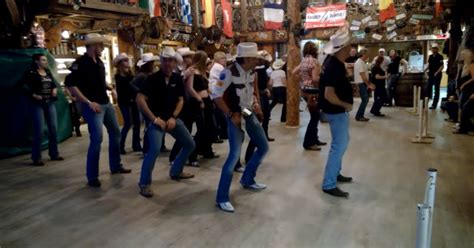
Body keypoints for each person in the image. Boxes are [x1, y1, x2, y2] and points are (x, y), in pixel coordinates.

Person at [66, 33, 131, 187]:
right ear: (94, 46)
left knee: (115, 133)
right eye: (101, 45)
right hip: (93, 106)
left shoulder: (100, 62)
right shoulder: (80, 63)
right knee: (97, 140)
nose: (103, 48)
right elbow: (71, 85)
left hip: (106, 104)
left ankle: (115, 165)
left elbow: (99, 82)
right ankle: (92, 176)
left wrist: (109, 87)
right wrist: (88, 102)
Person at [211, 42, 269, 213]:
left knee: (263, 146)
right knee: (234, 156)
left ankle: (247, 179)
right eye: (255, 58)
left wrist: (256, 103)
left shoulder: (252, 72)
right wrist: (230, 114)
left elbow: (252, 91)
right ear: (248, 58)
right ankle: (221, 197)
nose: (257, 61)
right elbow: (216, 96)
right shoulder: (228, 72)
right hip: (235, 115)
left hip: (247, 112)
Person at [136, 47, 196, 198]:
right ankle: (144, 183)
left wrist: (173, 117)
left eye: (170, 60)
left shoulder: (176, 78)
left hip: (171, 119)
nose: (167, 63)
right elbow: (140, 99)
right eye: (165, 60)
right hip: (156, 121)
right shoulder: (152, 78)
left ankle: (176, 170)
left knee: (190, 143)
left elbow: (181, 99)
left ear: (175, 62)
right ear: (161, 61)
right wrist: (154, 119)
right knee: (154, 150)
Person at [319, 30, 354, 198]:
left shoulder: (333, 63)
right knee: (339, 145)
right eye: (348, 46)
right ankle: (329, 183)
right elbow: (329, 94)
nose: (350, 49)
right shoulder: (334, 67)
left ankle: (336, 173)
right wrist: (345, 104)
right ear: (342, 49)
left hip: (336, 111)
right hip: (336, 111)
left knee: (342, 142)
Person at [170, 50, 219, 168]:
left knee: (205, 128)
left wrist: (210, 95)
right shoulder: (191, 71)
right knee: (192, 129)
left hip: (205, 101)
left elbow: (205, 87)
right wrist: (199, 99)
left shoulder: (202, 72)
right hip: (195, 103)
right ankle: (188, 155)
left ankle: (202, 151)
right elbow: (189, 88)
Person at [22, 53, 63, 166]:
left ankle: (54, 153)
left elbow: (53, 84)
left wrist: (54, 89)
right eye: (43, 60)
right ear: (37, 61)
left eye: (46, 60)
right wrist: (33, 95)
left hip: (49, 102)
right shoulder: (30, 72)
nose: (46, 62)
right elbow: (24, 87)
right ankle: (36, 157)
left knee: (53, 129)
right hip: (37, 104)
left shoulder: (48, 72)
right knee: (38, 131)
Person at [293, 41, 327, 151]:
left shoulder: (303, 61)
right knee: (315, 117)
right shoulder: (315, 62)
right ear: (314, 51)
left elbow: (294, 72)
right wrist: (326, 78)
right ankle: (308, 143)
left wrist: (303, 80)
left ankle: (314, 139)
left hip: (305, 91)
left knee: (315, 116)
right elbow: (315, 79)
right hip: (313, 92)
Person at [130, 53, 160, 155]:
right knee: (147, 125)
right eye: (151, 63)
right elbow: (132, 85)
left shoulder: (147, 74)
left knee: (147, 125)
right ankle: (146, 149)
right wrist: (142, 92)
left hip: (148, 102)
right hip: (143, 103)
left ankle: (147, 148)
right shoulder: (142, 75)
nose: (153, 65)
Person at [113, 53, 142, 154]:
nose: (127, 62)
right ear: (120, 64)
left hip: (133, 101)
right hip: (124, 102)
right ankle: (120, 145)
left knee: (137, 122)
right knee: (128, 123)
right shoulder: (118, 76)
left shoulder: (131, 74)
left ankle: (136, 145)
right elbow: (127, 88)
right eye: (124, 61)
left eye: (127, 60)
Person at [255, 50, 274, 141]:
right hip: (259, 94)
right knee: (263, 116)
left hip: (262, 93)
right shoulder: (259, 70)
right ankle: (262, 136)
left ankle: (263, 135)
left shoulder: (260, 69)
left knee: (265, 115)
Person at [454, 49, 474, 134]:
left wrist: (464, 84)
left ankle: (464, 127)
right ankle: (461, 124)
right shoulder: (464, 65)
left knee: (464, 107)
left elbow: (473, 78)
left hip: (468, 88)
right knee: (461, 105)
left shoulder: (471, 65)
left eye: (463, 55)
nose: (461, 57)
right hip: (463, 88)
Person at [209, 51, 228, 142]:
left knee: (219, 115)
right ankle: (218, 135)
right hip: (217, 93)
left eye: (224, 58)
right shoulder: (219, 67)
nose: (224, 60)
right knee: (218, 115)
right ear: (217, 59)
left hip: (214, 92)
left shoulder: (215, 66)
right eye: (222, 58)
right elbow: (222, 80)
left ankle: (219, 134)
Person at [353, 48, 375, 122]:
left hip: (362, 83)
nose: (368, 55)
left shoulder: (362, 62)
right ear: (364, 54)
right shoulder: (360, 62)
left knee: (365, 100)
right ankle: (359, 116)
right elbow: (363, 76)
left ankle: (360, 115)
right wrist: (369, 84)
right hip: (361, 83)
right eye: (367, 54)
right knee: (365, 100)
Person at [425, 43, 444, 109]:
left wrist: (437, 72)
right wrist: (425, 70)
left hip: (437, 75)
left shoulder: (440, 56)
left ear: (437, 49)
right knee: (428, 88)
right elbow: (428, 65)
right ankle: (425, 103)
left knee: (436, 89)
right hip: (431, 74)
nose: (433, 49)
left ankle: (434, 104)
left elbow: (442, 66)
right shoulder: (430, 56)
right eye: (433, 48)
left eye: (435, 48)